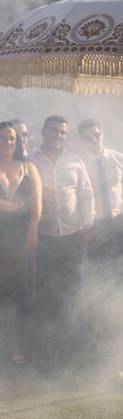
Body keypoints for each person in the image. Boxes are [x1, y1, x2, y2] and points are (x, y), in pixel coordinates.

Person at [28, 115, 95, 366]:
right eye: (54, 131)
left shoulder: (75, 160)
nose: (58, 136)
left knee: (73, 291)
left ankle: (73, 349)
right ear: (43, 132)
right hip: (43, 236)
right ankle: (47, 350)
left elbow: (87, 194)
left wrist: (87, 223)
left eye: (63, 132)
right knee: (45, 292)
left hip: (71, 236)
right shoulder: (31, 160)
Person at [0, 121, 41, 365]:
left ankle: (19, 347)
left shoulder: (28, 167)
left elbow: (37, 204)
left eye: (11, 139)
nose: (7, 142)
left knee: (21, 293)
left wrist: (32, 232)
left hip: (21, 237)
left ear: (17, 142)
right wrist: (15, 206)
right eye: (3, 138)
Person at [78, 118, 123, 260]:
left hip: (120, 220)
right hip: (96, 224)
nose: (94, 139)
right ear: (82, 140)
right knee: (100, 267)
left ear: (102, 134)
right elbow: (79, 197)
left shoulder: (119, 158)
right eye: (88, 137)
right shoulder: (80, 163)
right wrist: (84, 226)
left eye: (96, 135)